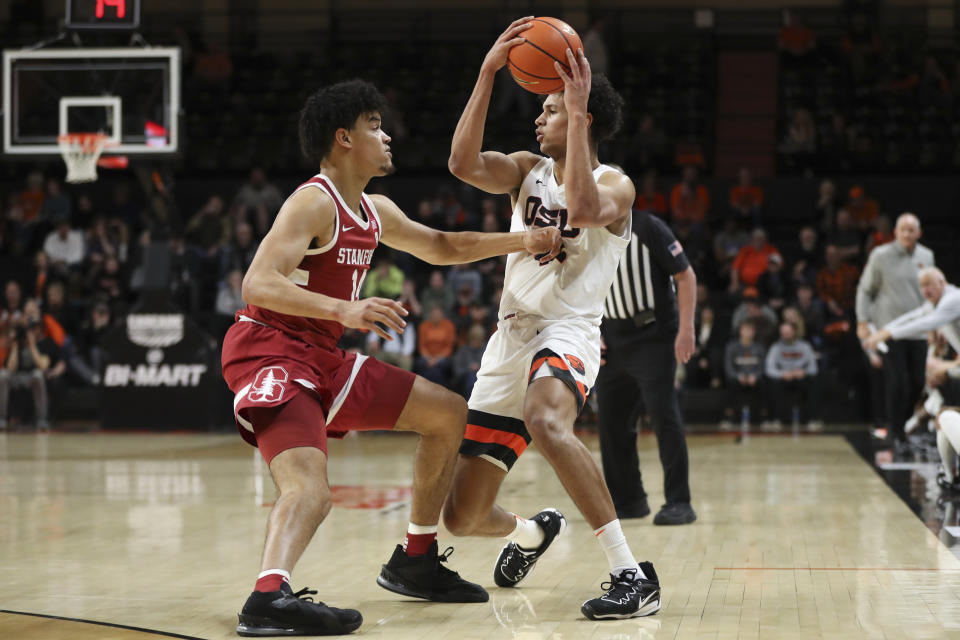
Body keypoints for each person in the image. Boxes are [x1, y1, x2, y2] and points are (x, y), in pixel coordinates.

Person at [220, 78, 562, 636]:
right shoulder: (313, 200)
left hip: (323, 355)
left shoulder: (374, 209)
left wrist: (521, 240)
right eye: (374, 126)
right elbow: (257, 284)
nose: (386, 136)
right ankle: (267, 598)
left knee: (448, 415)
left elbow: (444, 246)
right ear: (343, 139)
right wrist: (344, 310)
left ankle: (416, 560)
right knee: (309, 489)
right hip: (270, 351)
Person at [444, 18, 660, 621]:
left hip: (567, 332)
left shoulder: (616, 184)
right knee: (461, 515)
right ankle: (530, 532)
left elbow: (585, 209)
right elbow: (462, 163)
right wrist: (488, 73)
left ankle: (630, 574)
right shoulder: (522, 170)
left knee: (546, 420)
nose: (538, 119)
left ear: (582, 116)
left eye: (551, 109)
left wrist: (579, 107)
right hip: (508, 338)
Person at [597, 202, 698, 526]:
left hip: (653, 334)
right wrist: (592, 331)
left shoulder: (648, 227)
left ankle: (679, 501)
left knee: (663, 416)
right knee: (611, 423)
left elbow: (685, 276)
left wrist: (686, 330)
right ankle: (629, 500)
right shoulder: (587, 231)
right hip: (611, 339)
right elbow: (579, 285)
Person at [856, 213, 935, 446]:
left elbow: (930, 294)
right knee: (896, 381)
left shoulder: (926, 255)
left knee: (918, 382)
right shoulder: (880, 255)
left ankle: (905, 426)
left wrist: (933, 325)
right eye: (903, 230)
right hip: (889, 331)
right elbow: (865, 290)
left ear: (919, 233)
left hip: (919, 331)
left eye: (912, 230)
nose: (907, 234)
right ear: (896, 232)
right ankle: (895, 432)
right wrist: (862, 320)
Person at [765, 321, 821, 431]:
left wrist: (803, 372)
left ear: (794, 332)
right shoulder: (776, 347)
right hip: (784, 378)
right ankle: (777, 420)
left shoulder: (805, 346)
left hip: (801, 377)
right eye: (783, 333)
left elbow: (813, 368)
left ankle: (813, 420)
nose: (785, 335)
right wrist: (782, 374)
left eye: (788, 332)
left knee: (814, 381)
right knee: (772, 383)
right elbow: (769, 369)